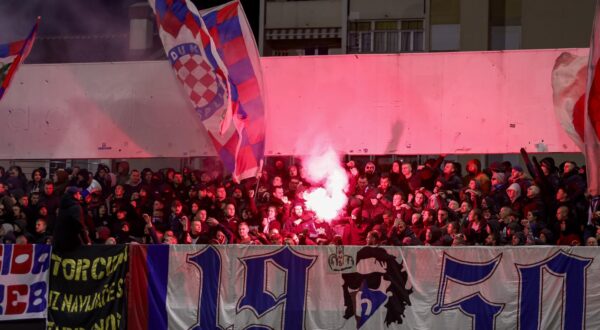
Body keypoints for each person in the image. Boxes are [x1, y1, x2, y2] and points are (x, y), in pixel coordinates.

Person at [52, 186, 91, 253]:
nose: (80, 195)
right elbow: (80, 225)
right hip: (71, 242)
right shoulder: (76, 207)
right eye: (79, 193)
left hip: (59, 241)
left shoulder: (63, 205)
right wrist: (87, 241)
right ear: (75, 195)